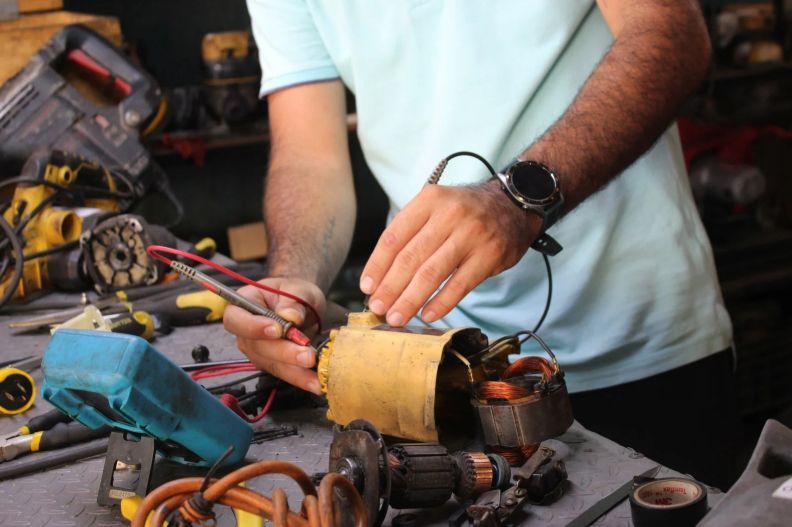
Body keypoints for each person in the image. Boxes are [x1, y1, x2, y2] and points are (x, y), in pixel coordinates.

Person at [224, 1, 739, 488]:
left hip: (640, 342)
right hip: (440, 369)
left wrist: (520, 197)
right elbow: (309, 157)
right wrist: (294, 278)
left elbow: (671, 35)